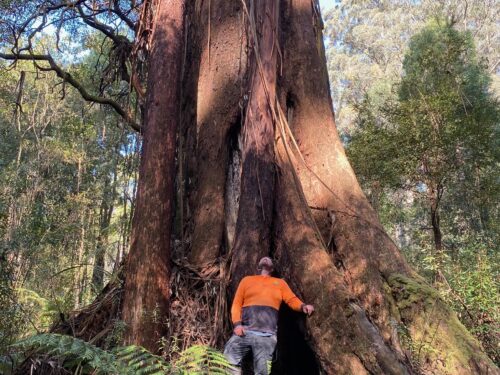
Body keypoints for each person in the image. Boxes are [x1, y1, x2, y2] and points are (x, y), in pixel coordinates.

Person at [224, 257, 314, 375]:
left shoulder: (280, 283)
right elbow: (236, 304)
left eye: (269, 259)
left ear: (272, 268)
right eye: (263, 258)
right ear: (258, 267)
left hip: (266, 336)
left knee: (262, 372)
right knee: (228, 361)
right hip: (244, 332)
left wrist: (303, 306)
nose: (266, 258)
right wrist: (237, 325)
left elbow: (291, 299)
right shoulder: (247, 280)